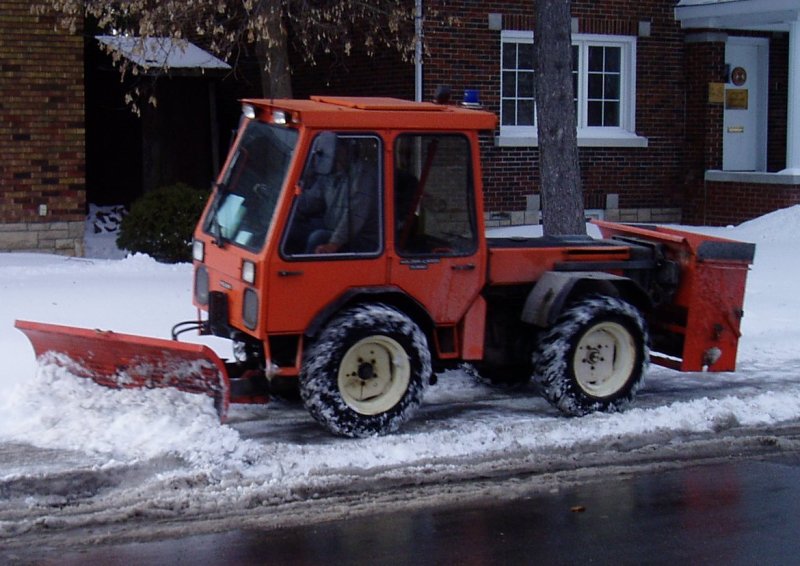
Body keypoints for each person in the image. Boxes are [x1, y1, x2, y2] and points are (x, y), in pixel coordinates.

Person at [294, 133, 379, 254]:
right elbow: (311, 202)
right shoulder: (330, 173)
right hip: (332, 227)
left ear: (344, 150)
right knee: (292, 230)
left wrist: (333, 244)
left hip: (362, 238)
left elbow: (354, 216)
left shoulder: (363, 175)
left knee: (317, 237)